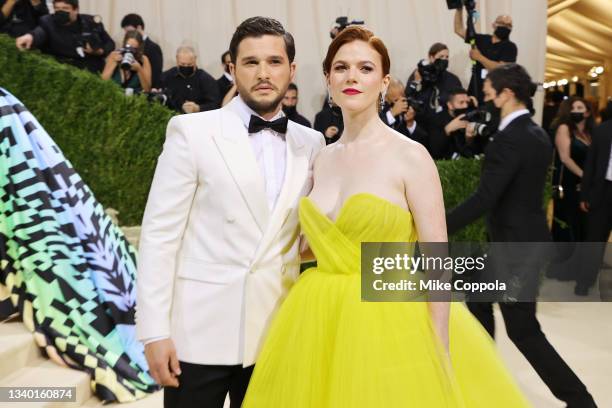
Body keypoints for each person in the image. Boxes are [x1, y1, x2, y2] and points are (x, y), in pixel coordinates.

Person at [243, 26, 531, 407]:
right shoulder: (321, 158)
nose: (352, 76)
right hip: (316, 317)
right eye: (341, 67)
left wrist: (439, 343)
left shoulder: (411, 156)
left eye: (365, 68)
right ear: (329, 79)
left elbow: (437, 258)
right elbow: (313, 245)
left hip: (390, 315)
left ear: (384, 81)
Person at [136, 17, 325, 408]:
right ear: (231, 68)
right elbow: (159, 235)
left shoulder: (313, 143)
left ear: (291, 70)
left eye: (274, 62)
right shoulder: (192, 132)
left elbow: (305, 238)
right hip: (198, 336)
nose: (262, 73)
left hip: (275, 335)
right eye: (250, 62)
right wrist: (153, 331)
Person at [446, 64, 597, 408]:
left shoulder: (511, 139)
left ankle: (580, 401)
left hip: (514, 252)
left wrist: (437, 227)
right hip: (520, 244)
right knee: (478, 300)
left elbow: (486, 197)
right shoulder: (535, 132)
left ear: (506, 94)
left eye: (489, 92)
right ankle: (483, 382)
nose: (486, 96)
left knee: (523, 331)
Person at [548, 97, 593, 281]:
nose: (576, 110)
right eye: (573, 107)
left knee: (583, 226)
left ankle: (579, 268)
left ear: (588, 112)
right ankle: (562, 269)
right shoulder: (564, 128)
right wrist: (586, 176)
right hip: (567, 184)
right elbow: (565, 158)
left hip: (586, 186)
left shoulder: (591, 133)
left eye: (580, 107)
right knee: (567, 226)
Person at [15, 0, 114, 73]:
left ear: (76, 10)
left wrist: (99, 51)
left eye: (65, 9)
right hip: (63, 70)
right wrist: (30, 37)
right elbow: (40, 33)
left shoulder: (91, 22)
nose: (60, 12)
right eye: (57, 9)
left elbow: (110, 43)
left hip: (91, 70)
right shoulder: (48, 21)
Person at [578, 118, 612, 296]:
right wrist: (585, 194)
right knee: (594, 238)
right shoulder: (602, 130)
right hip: (603, 190)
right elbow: (590, 163)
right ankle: (585, 281)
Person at [454, 10, 517, 103]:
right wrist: (459, 9)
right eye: (502, 23)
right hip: (475, 89)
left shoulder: (510, 47)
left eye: (509, 25)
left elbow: (501, 69)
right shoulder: (482, 39)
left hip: (494, 95)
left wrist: (479, 57)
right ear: (494, 25)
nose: (505, 27)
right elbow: (459, 29)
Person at [405, 42, 462, 131]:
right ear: (431, 57)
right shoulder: (419, 74)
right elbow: (408, 95)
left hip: (445, 125)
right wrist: (416, 81)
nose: (445, 60)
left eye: (447, 57)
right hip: (422, 125)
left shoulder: (453, 79)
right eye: (441, 57)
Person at [160, 46, 220, 114]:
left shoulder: (206, 79)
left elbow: (216, 104)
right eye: (182, 64)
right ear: (177, 60)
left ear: (195, 60)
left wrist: (198, 108)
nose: (186, 67)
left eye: (189, 64)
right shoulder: (166, 77)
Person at [429, 88, 480, 159]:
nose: (465, 106)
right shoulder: (437, 120)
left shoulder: (471, 117)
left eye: (467, 102)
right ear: (450, 105)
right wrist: (448, 129)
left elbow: (475, 150)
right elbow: (435, 151)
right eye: (461, 102)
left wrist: (469, 139)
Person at [120, 13, 163, 88]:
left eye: (129, 31)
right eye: (126, 32)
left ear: (139, 27)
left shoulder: (153, 47)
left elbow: (156, 74)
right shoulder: (126, 46)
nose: (127, 34)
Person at [382, 78, 427, 147]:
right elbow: (374, 132)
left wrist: (410, 124)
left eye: (402, 97)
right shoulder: (376, 109)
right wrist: (392, 114)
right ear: (386, 98)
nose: (400, 103)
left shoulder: (406, 109)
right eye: (396, 100)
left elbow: (423, 141)